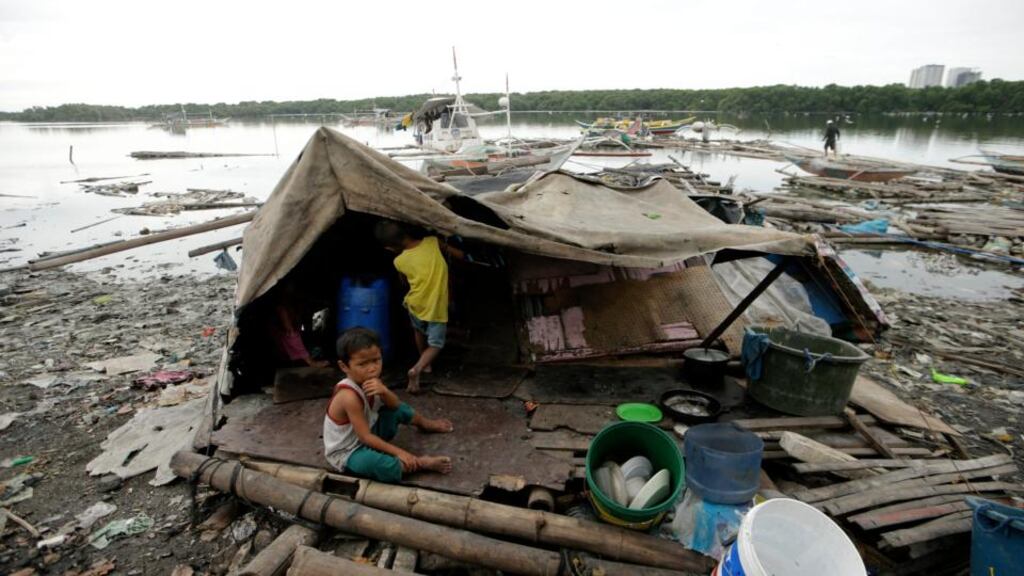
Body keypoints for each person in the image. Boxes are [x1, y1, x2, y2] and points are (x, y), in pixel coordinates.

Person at [324, 328, 453, 482]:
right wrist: (401, 453)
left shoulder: (371, 380)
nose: (372, 368)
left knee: (398, 409)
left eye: (376, 360)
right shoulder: (348, 396)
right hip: (349, 452)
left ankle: (425, 424)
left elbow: (395, 405)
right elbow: (365, 437)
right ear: (344, 366)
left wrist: (384, 392)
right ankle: (420, 463)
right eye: (362, 364)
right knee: (384, 466)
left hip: (368, 433)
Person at [374, 220, 462, 393]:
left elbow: (404, 282)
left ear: (390, 248)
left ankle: (426, 363)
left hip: (414, 303)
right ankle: (418, 368)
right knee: (436, 343)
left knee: (419, 331)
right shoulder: (432, 242)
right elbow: (459, 255)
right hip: (435, 305)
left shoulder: (399, 261)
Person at [270, 280, 329, 368]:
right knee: (292, 334)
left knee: (295, 333)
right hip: (280, 334)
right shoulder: (281, 307)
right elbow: (289, 329)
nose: (293, 289)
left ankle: (301, 356)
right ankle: (310, 362)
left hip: (282, 335)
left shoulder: (291, 303)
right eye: (290, 287)